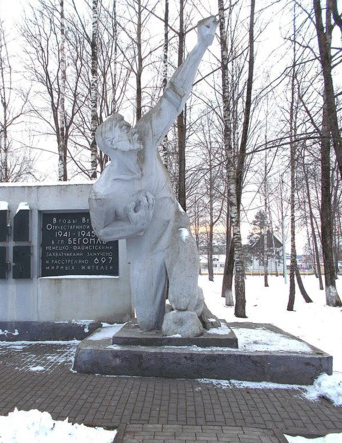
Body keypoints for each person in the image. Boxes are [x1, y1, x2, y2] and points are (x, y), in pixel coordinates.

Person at [89, 16, 220, 336]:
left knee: (183, 297)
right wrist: (134, 225)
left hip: (175, 229)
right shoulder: (103, 192)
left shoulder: (145, 134)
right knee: (148, 323)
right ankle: (184, 303)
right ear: (112, 145)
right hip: (145, 251)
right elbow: (101, 230)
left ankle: (191, 301)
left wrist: (201, 47)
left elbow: (175, 96)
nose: (130, 129)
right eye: (123, 129)